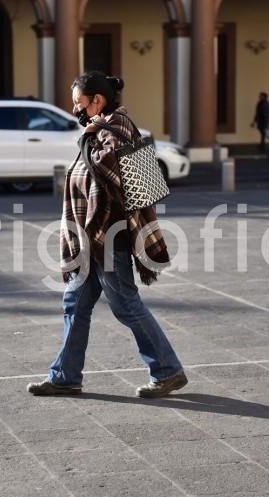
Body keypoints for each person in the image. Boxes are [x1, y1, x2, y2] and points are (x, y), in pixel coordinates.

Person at [27, 71, 187, 399]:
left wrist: (89, 136)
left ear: (96, 101)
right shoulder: (101, 130)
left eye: (78, 103)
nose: (75, 110)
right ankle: (65, 377)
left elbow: (109, 171)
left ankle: (168, 370)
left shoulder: (116, 128)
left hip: (109, 235)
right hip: (93, 238)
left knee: (125, 304)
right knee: (75, 302)